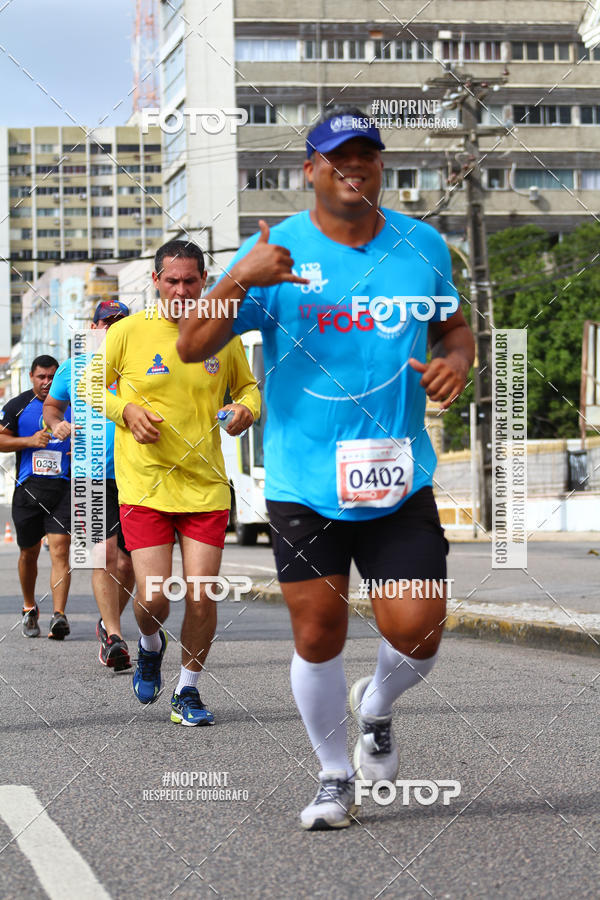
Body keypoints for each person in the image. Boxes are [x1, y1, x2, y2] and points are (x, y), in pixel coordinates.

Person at [176, 106, 475, 828]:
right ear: (310, 169)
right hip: (304, 483)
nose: (354, 166)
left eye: (366, 154)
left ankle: (377, 706)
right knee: (318, 634)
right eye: (338, 157)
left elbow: (454, 329)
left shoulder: (423, 245)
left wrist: (456, 363)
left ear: (380, 165)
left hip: (398, 476)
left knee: (419, 629)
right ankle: (335, 776)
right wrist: (240, 276)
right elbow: (191, 345)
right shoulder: (274, 253)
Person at [79, 240, 261, 725]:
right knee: (155, 597)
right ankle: (149, 642)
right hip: (145, 486)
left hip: (205, 486)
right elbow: (89, 385)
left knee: (201, 594)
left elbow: (248, 388)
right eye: (172, 280)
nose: (181, 290)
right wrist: (126, 410)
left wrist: (246, 409)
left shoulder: (222, 333)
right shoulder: (127, 331)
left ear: (204, 281)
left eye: (190, 281)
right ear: (156, 281)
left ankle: (188, 690)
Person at [43, 300, 135, 671]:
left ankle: (107, 620)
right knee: (106, 556)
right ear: (93, 327)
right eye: (106, 322)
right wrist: (57, 424)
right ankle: (114, 637)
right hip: (90, 475)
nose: (112, 327)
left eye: (119, 322)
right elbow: (52, 407)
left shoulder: (139, 362)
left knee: (130, 565)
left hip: (136, 474)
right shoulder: (73, 367)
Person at [0, 355, 72, 639]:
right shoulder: (18, 405)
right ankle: (29, 607)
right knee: (28, 553)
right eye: (42, 377)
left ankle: (59, 615)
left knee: (60, 550)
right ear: (32, 377)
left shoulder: (72, 405)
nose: (47, 382)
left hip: (63, 489)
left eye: (52, 377)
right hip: (28, 490)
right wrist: (29, 441)